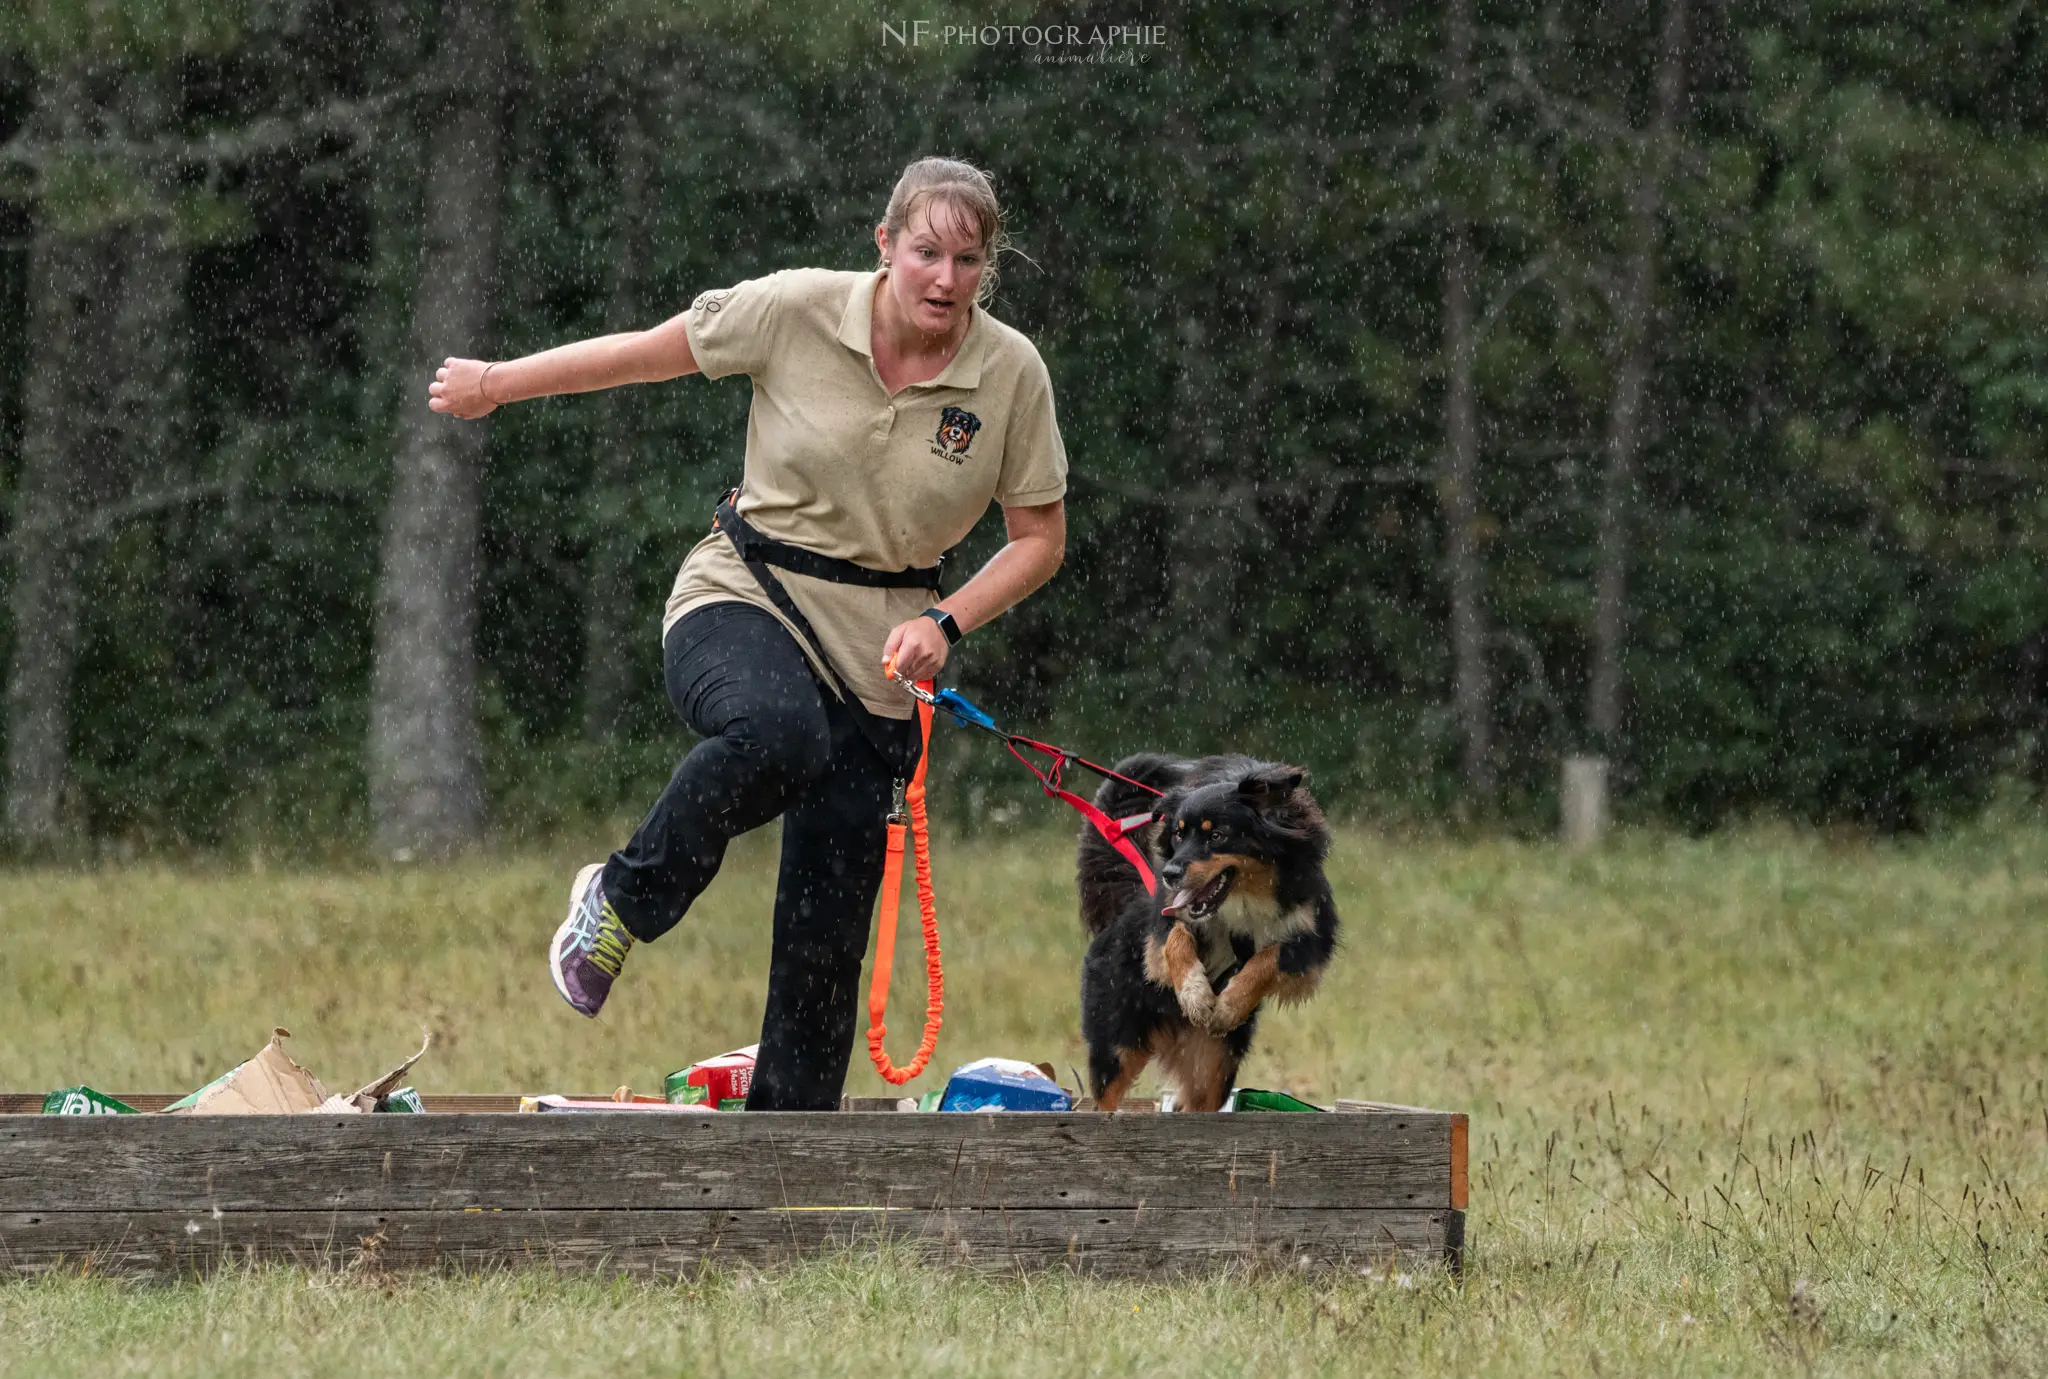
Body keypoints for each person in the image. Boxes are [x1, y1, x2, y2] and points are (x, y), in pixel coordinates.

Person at [427, 157, 1068, 1110]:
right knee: (776, 731)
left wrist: (947, 618)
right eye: (926, 252)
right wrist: (494, 383)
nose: (944, 278)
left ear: (988, 267)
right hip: (745, 593)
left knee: (826, 940)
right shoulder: (794, 309)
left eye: (967, 260)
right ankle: (617, 903)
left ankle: (784, 1176)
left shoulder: (1009, 373)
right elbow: (644, 353)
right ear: (885, 245)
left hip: (884, 660)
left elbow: (1040, 537)